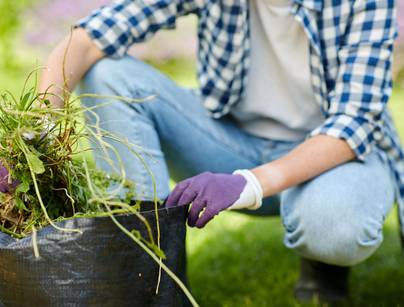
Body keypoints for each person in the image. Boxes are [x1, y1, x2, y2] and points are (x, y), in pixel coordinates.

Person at [38, 0, 403, 303]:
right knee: (108, 75)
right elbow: (86, 40)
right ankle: (149, 275)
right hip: (233, 143)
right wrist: (37, 134)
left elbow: (351, 125)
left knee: (332, 227)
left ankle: (323, 264)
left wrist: (248, 185)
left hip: (333, 160)